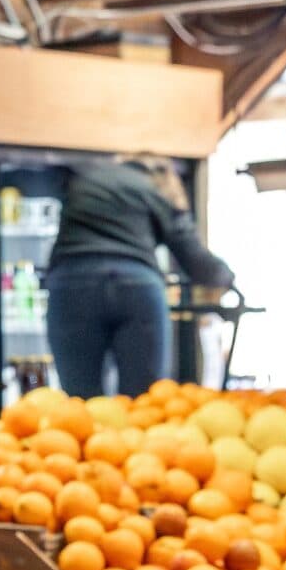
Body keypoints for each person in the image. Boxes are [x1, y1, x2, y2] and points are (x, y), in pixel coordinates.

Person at [46, 154, 234, 398]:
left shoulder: (85, 179)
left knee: (80, 402)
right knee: (144, 401)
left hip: (72, 286)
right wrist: (226, 277)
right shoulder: (156, 189)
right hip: (137, 287)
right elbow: (196, 260)